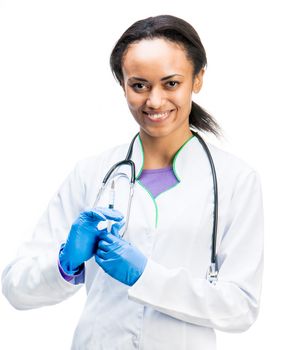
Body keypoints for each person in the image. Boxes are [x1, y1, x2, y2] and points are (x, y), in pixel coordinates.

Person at [1, 14, 264, 350]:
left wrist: (146, 276)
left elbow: (240, 307)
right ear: (123, 84)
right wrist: (65, 264)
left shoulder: (236, 181)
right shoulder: (91, 173)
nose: (154, 101)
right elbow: (15, 288)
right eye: (139, 85)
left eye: (171, 83)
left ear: (197, 79)